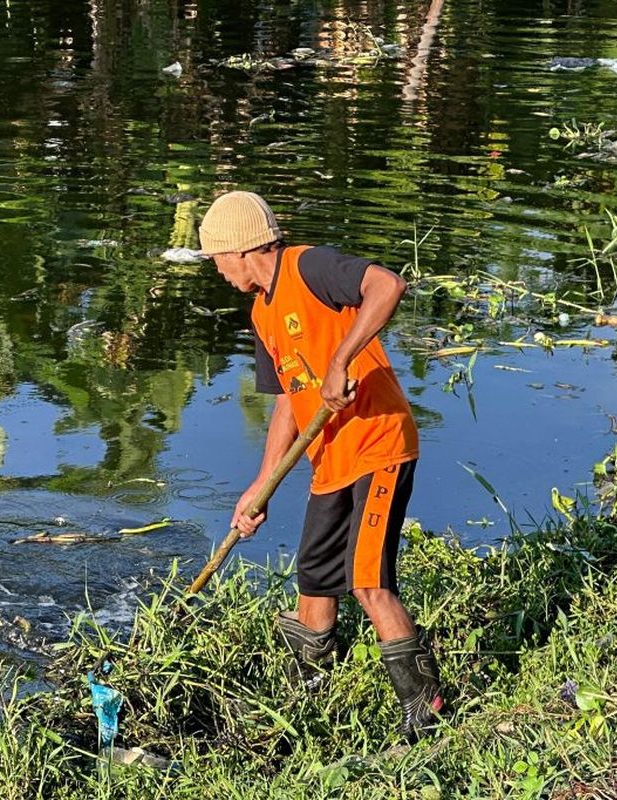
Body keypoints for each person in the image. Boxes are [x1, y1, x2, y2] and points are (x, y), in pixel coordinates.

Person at [197, 190, 443, 741]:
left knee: (367, 582)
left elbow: (388, 285)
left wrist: (340, 360)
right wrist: (260, 485)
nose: (216, 270)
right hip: (330, 460)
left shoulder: (309, 267)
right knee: (314, 581)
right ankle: (307, 699)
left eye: (215, 258)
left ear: (240, 250)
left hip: (379, 445)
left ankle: (425, 708)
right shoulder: (262, 311)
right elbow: (288, 399)